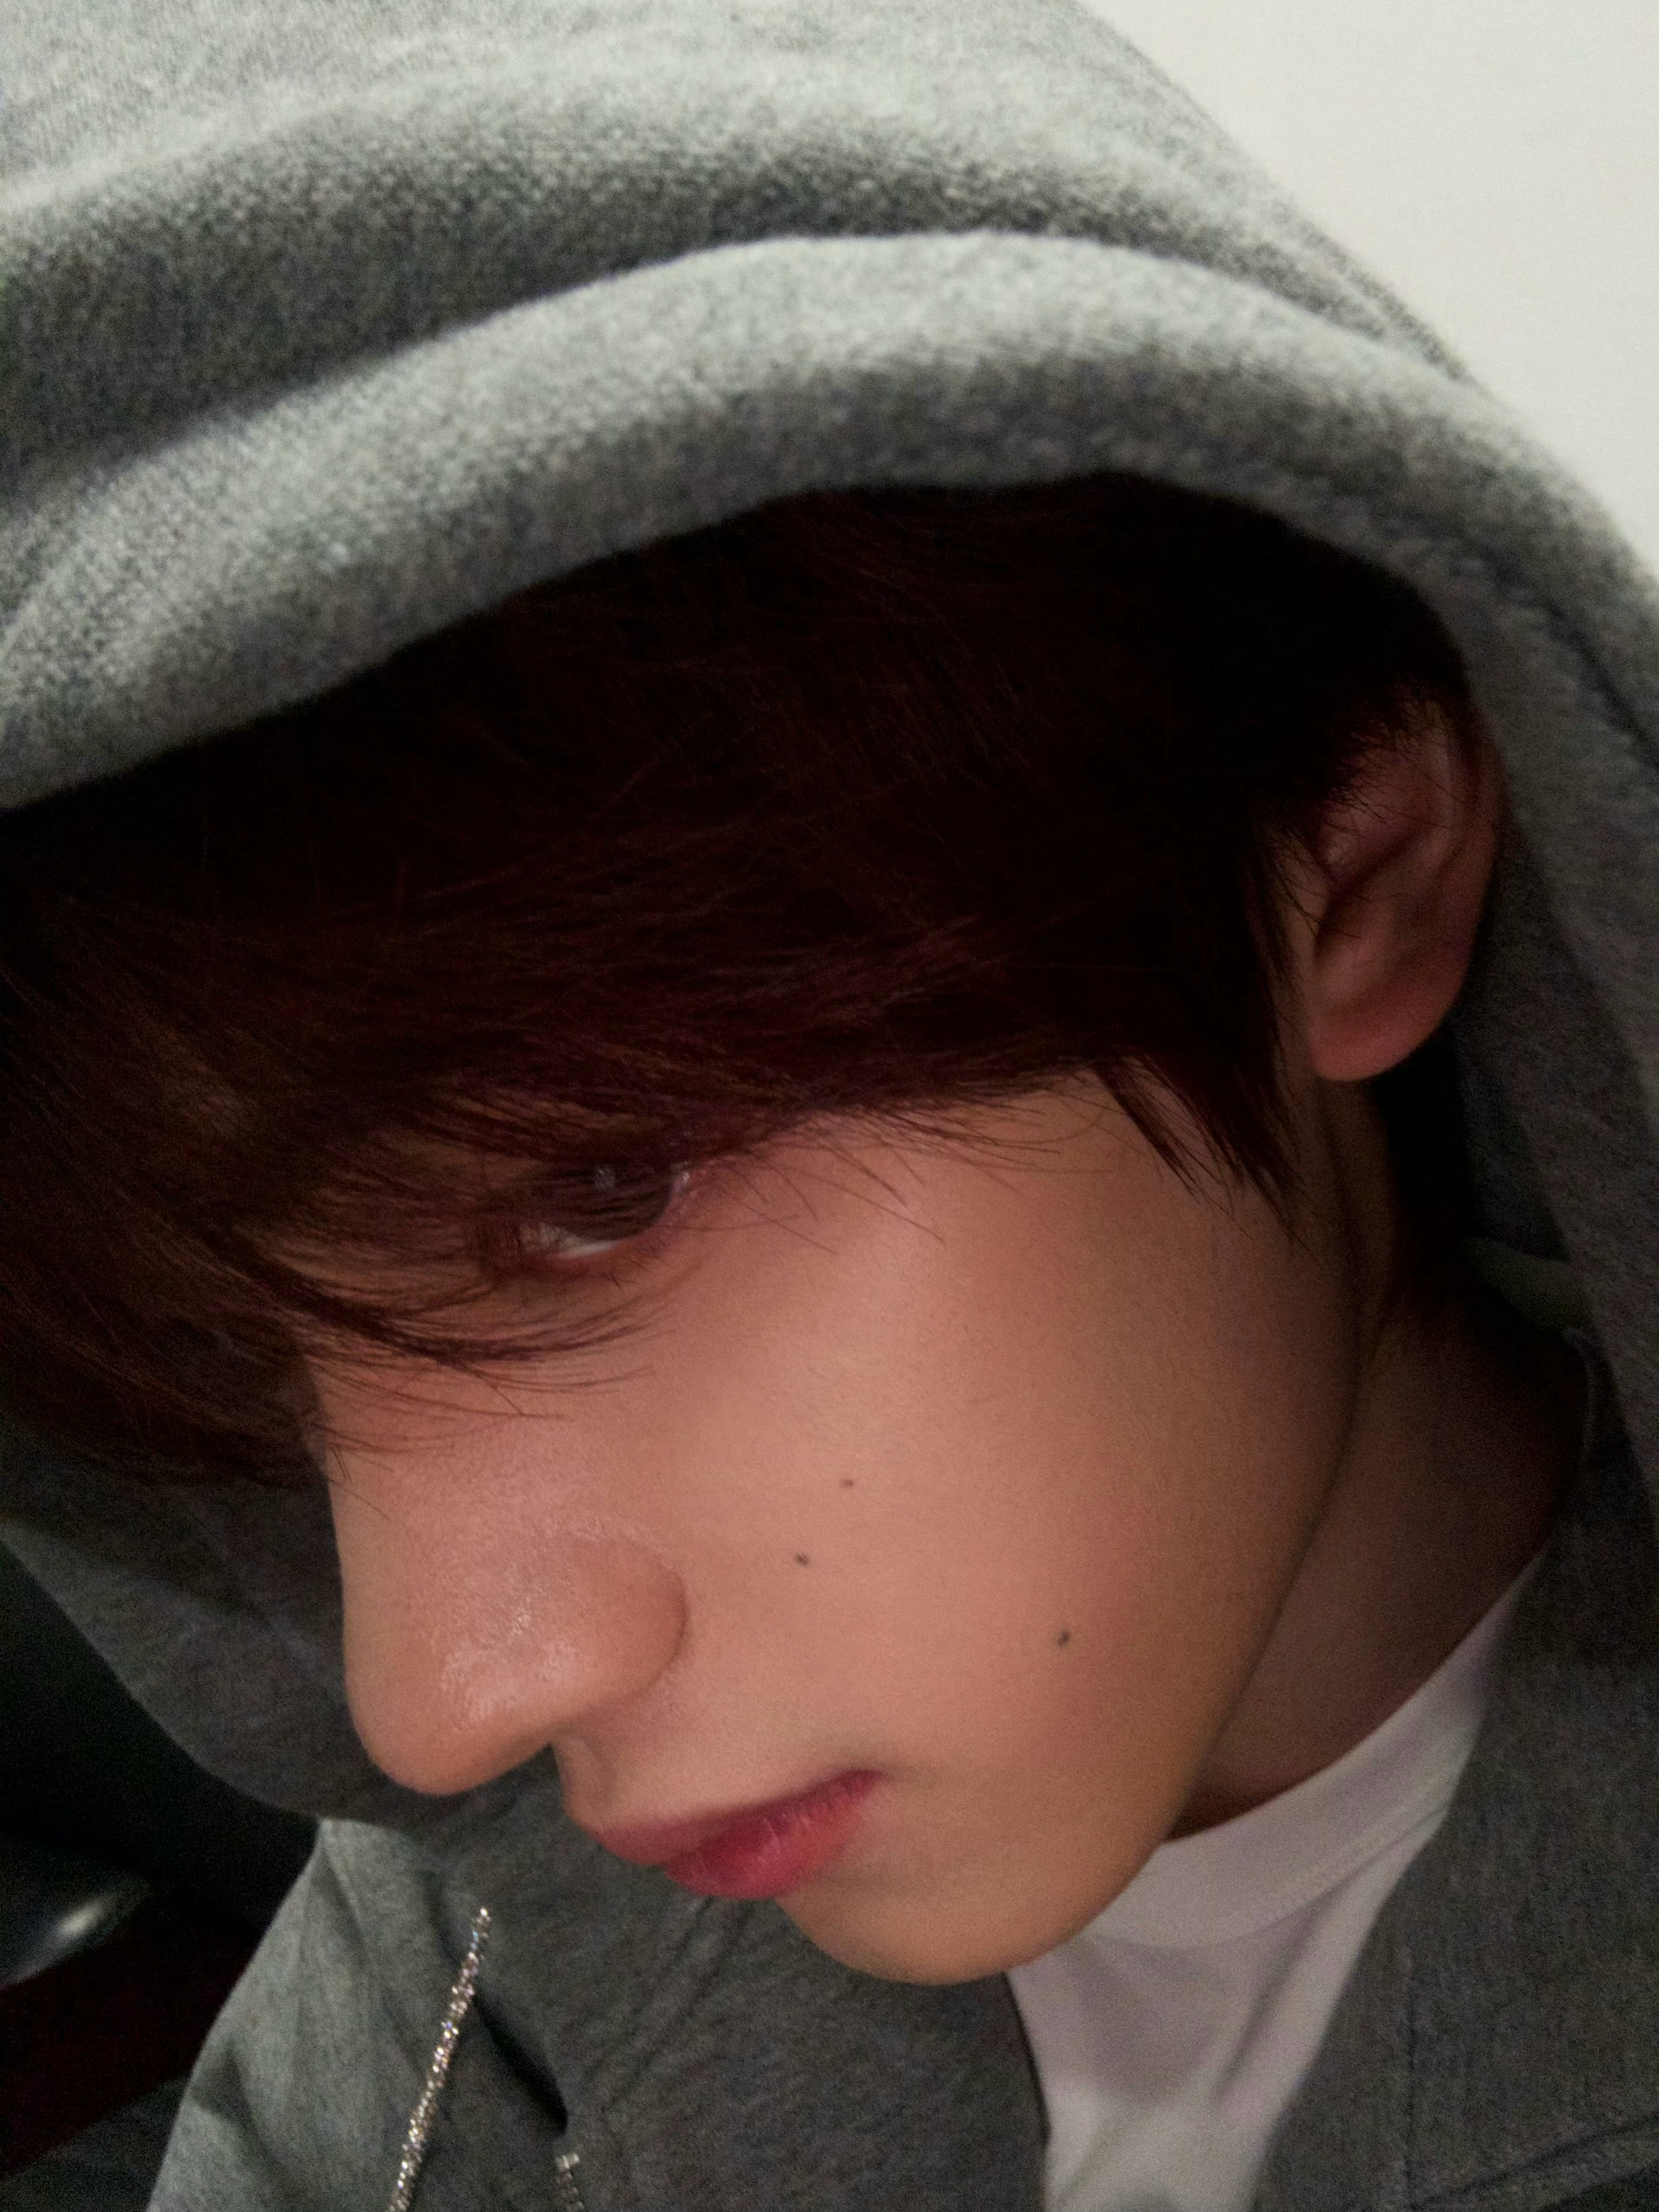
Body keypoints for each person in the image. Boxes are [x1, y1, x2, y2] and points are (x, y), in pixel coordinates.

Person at [2, 3, 1656, 2208]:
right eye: (246, 1376)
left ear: (1350, 874)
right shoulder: (459, 1927)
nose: (441, 1694)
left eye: (598, 1187)